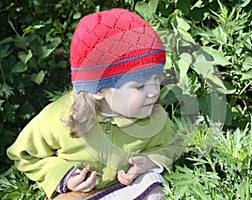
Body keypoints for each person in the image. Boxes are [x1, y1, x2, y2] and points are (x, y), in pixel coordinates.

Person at [7, 8, 183, 200]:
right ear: (98, 90)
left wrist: (150, 161)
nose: (154, 92)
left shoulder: (153, 117)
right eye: (139, 86)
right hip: (80, 193)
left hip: (127, 189)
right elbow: (22, 153)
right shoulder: (60, 117)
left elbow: (172, 145)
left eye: (156, 79)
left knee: (155, 192)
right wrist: (63, 176)